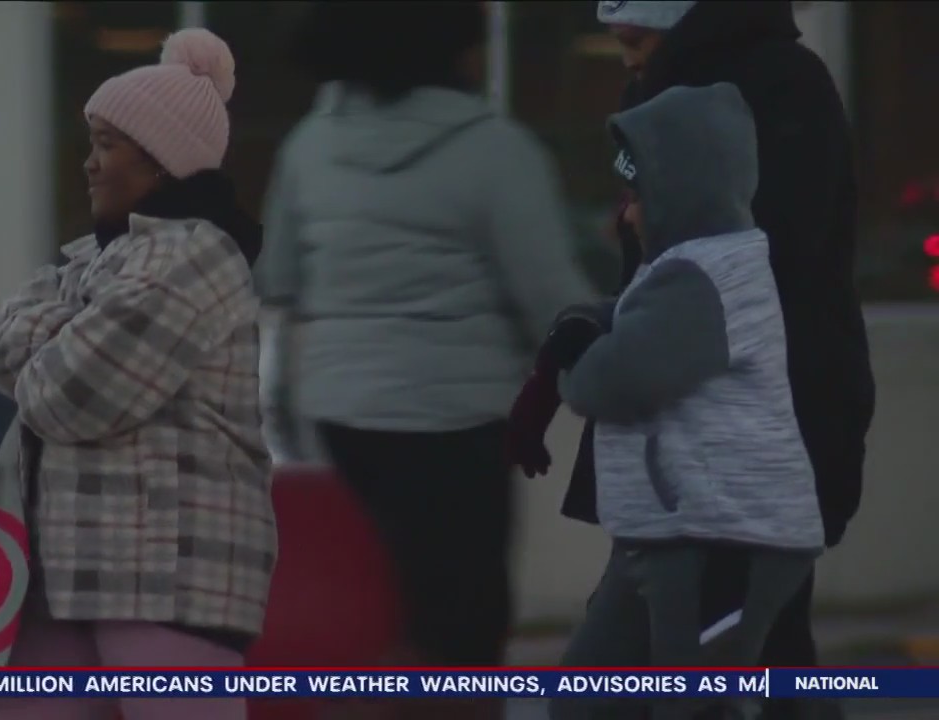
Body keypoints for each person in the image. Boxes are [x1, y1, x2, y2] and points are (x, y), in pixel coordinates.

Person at [510, 5, 874, 715]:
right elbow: (653, 296)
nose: (626, 215)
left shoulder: (778, 94)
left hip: (735, 487)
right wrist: (587, 336)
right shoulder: (659, 101)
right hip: (678, 485)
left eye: (633, 40)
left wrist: (581, 360)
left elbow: (684, 319)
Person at [256, 3, 594, 717]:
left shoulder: (310, 146)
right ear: (456, 52)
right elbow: (551, 300)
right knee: (462, 634)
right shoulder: (497, 151)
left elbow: (279, 277)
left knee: (369, 616)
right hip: (458, 425)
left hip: (341, 423)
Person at [0, 29, 274, 720]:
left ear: (163, 162)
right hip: (66, 575)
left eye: (107, 145)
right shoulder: (97, 258)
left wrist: (47, 330)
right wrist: (56, 329)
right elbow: (1, 345)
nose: (89, 163)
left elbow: (64, 397)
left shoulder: (193, 257)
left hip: (164, 580)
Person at [546, 81, 824, 720]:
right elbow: (639, 320)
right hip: (669, 532)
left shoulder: (701, 276)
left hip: (720, 536)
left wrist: (573, 354)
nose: (627, 216)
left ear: (680, 191)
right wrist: (593, 321)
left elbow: (608, 382)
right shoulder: (693, 264)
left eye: (636, 197)